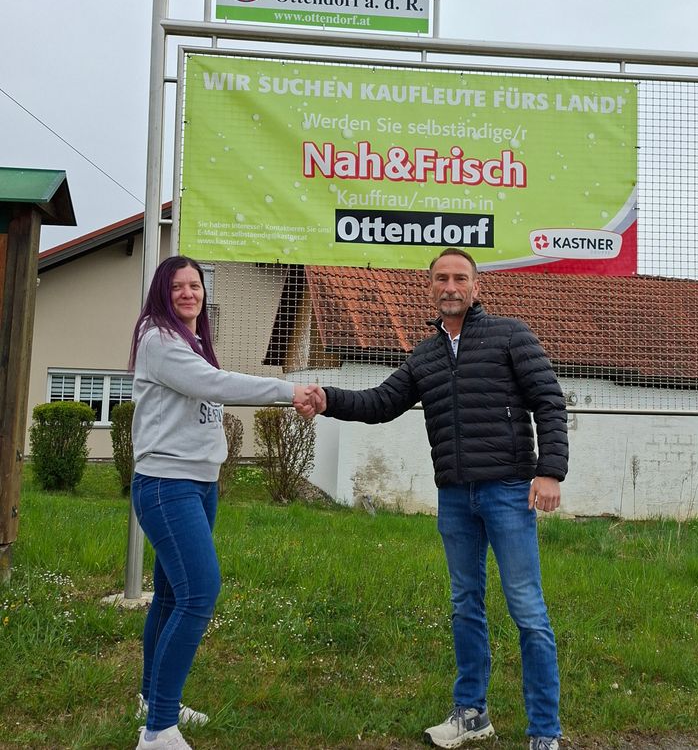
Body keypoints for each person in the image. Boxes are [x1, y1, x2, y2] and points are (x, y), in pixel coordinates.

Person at [305, 248, 568, 750]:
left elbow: (548, 401)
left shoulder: (511, 335)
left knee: (527, 611)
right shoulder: (424, 355)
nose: (450, 286)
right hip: (454, 497)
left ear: (476, 288)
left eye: (460, 278)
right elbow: (381, 403)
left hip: (510, 491)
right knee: (465, 604)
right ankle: (472, 713)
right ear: (430, 289)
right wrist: (328, 398)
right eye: (441, 278)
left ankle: (545, 732)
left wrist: (549, 471)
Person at [128, 255, 317, 750]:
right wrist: (288, 390)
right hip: (167, 485)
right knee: (198, 594)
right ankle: (158, 732)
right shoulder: (158, 339)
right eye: (178, 287)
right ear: (161, 293)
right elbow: (216, 385)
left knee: (171, 597)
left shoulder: (189, 341)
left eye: (195, 285)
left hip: (198, 484)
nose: (190, 293)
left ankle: (154, 700)